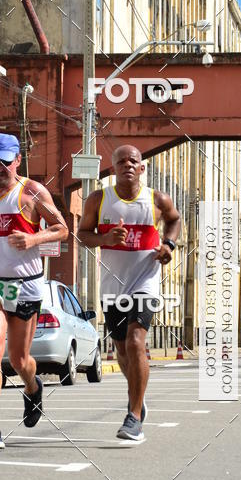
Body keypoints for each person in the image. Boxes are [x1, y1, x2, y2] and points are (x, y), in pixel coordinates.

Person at [0, 133, 68, 450]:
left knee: (19, 360)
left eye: (5, 162)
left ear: (18, 160)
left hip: (26, 283)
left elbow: (62, 228)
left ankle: (32, 387)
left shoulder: (32, 191)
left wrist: (33, 239)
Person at [77, 145, 181, 444]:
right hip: (112, 286)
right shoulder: (99, 199)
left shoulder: (157, 199)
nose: (128, 165)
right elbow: (82, 235)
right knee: (122, 351)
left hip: (145, 282)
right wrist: (105, 238)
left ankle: (134, 417)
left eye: (133, 161)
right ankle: (138, 395)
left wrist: (168, 245)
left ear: (142, 168)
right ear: (113, 169)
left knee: (136, 342)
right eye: (121, 161)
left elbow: (174, 220)